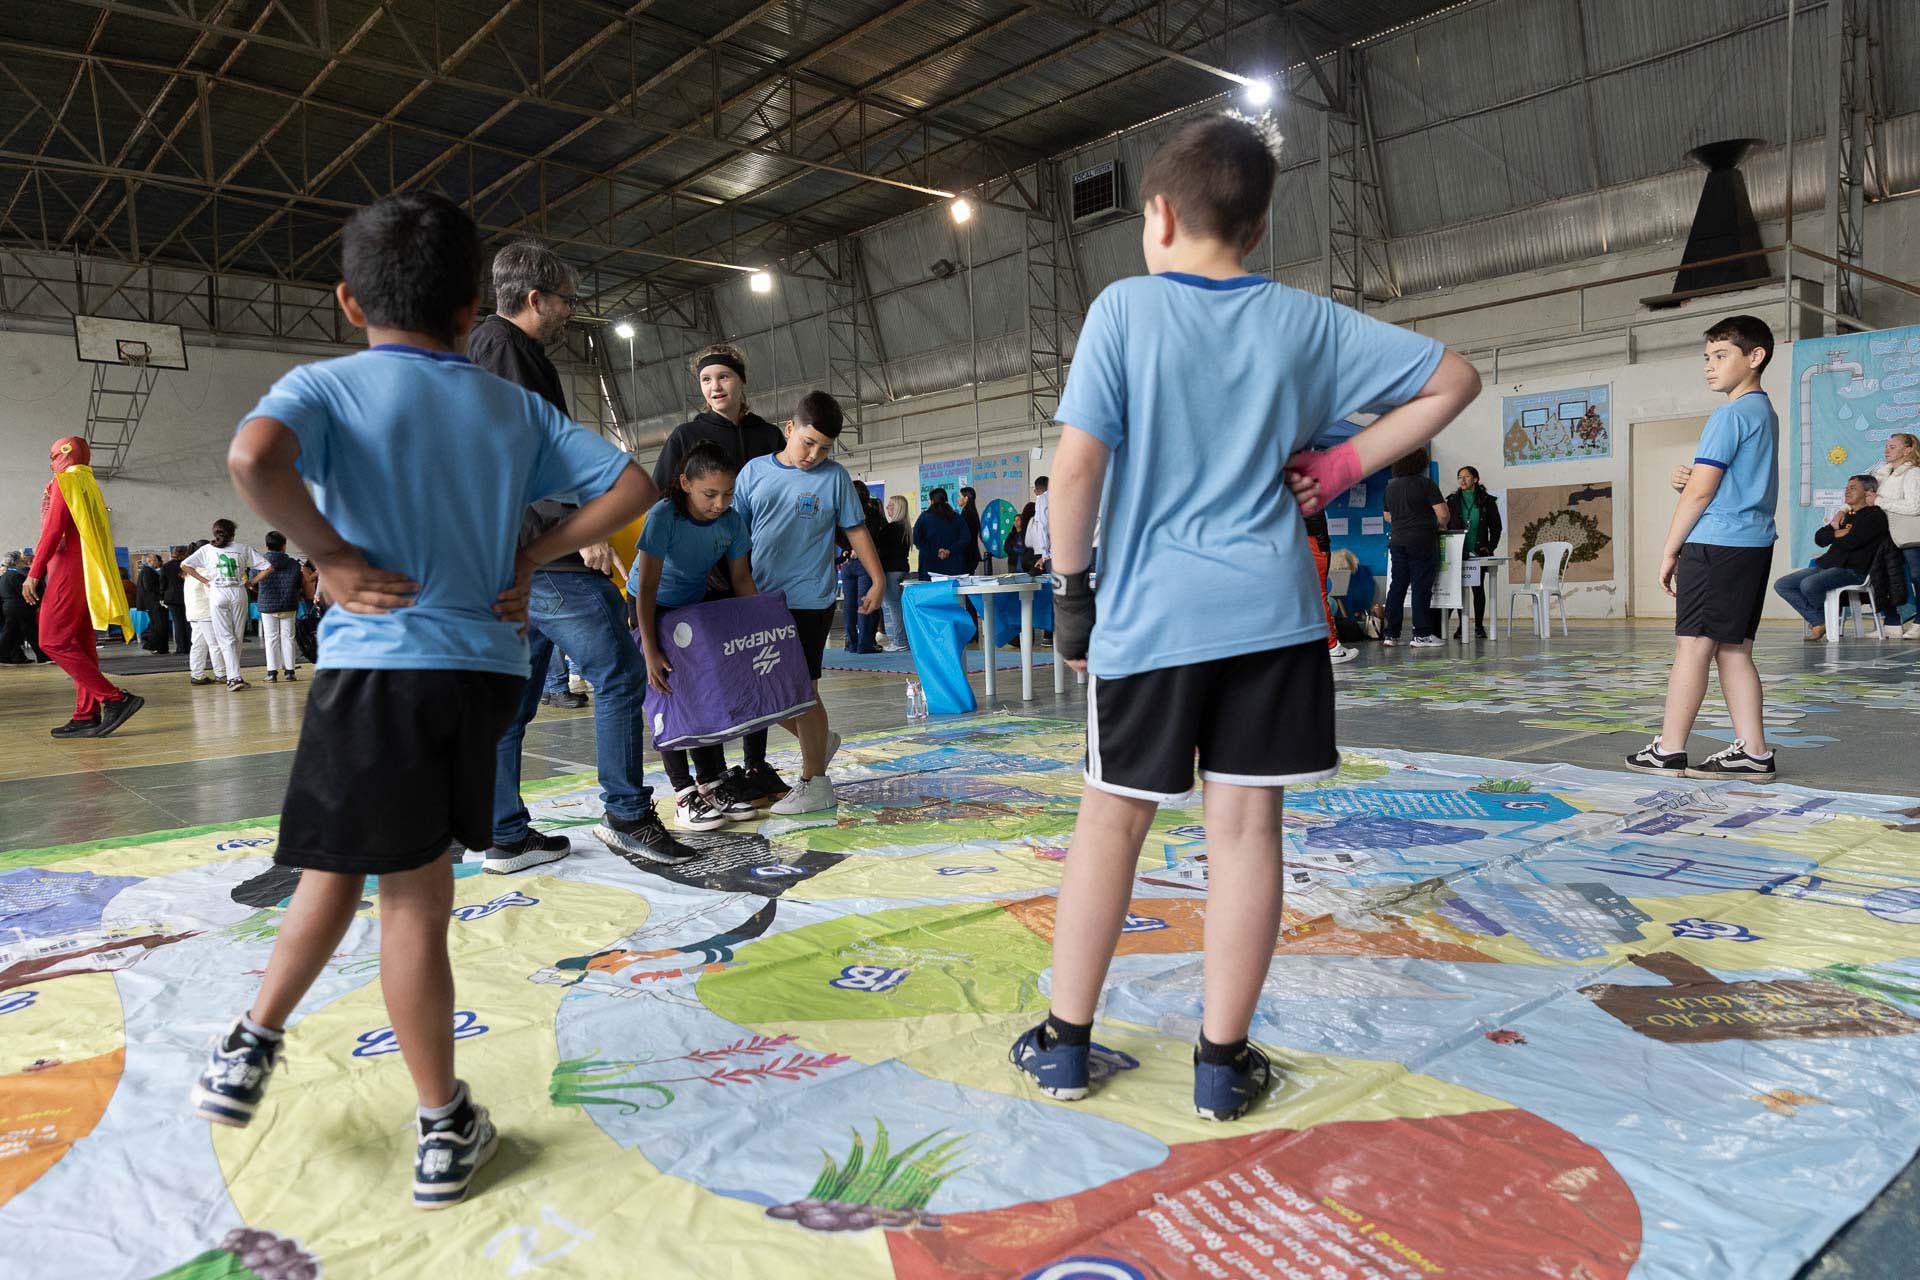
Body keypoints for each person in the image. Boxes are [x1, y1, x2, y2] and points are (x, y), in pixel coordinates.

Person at [1006, 112, 1478, 1120]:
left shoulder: (1124, 310)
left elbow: (1078, 468)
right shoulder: (1307, 321)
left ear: (1160, 213)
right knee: (1248, 828)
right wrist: (1345, 462)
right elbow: (1454, 379)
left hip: (1149, 618)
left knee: (1111, 822)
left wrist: (1074, 601)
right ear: (1257, 229)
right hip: (1270, 618)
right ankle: (1221, 1063)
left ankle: (1064, 1042)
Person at [190, 191, 655, 1211]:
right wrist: (529, 554)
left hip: (376, 670)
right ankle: (434, 1115)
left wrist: (332, 554)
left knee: (345, 874)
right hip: (479, 673)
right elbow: (632, 483)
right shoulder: (514, 406)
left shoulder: (328, 383)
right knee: (408, 892)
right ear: (465, 313)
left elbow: (252, 459)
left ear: (352, 302)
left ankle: (284, 1054)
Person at [472, 240, 692, 872]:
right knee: (621, 675)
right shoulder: (506, 351)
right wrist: (581, 526)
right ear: (535, 298)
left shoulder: (495, 351)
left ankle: (503, 832)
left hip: (512, 556)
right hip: (542, 557)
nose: (571, 311)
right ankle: (626, 814)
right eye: (565, 300)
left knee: (513, 700)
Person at [1626, 314, 1780, 782]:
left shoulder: (1730, 414)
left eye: (1721, 356)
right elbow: (1720, 481)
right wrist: (1692, 478)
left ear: (1755, 357)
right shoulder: (1764, 413)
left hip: (1715, 545)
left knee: (1692, 646)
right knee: (1734, 649)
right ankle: (1753, 751)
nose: (1710, 367)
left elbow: (1701, 493)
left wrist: (1671, 549)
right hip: (1752, 544)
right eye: (1707, 358)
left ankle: (1669, 749)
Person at [650, 343, 790, 810]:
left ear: (741, 381)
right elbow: (662, 502)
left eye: (724, 378)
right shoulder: (685, 436)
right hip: (693, 583)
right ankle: (701, 779)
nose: (715, 387)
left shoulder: (768, 436)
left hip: (751, 567)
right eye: (707, 380)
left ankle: (753, 763)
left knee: (754, 668)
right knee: (697, 679)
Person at [733, 391, 885, 815]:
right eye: (807, 443)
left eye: (824, 448)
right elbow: (736, 539)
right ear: (789, 429)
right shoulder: (753, 474)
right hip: (759, 601)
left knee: (803, 693)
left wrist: (876, 580)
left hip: (810, 600)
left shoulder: (834, 478)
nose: (813, 455)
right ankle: (818, 742)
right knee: (759, 698)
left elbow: (855, 531)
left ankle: (814, 781)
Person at [630, 441, 761, 832]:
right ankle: (683, 791)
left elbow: (741, 578)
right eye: (710, 494)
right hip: (650, 607)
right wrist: (650, 648)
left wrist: (759, 629)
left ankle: (711, 782)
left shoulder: (731, 522)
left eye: (727, 494)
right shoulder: (663, 516)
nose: (719, 503)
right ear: (686, 483)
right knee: (667, 694)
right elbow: (648, 586)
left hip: (691, 607)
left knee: (705, 692)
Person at [24, 437, 145, 737]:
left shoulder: (65, 483)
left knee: (51, 640)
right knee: (81, 646)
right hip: (86, 572)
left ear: (61, 456)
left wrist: (34, 573)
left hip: (67, 570)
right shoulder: (89, 484)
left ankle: (115, 698)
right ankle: (85, 713)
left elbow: (53, 530)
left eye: (52, 456)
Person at [1773, 474, 1892, 637]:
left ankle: (1823, 622)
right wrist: (1837, 532)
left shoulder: (1875, 515)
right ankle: (1820, 621)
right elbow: (1819, 538)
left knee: (1809, 584)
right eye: (1846, 488)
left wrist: (1838, 534)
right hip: (1826, 566)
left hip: (1852, 570)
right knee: (1783, 584)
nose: (1847, 491)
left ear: (1868, 492)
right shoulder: (1845, 515)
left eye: (1853, 488)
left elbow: (1853, 541)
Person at [182, 520, 261, 691]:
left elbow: (185, 565)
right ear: (233, 533)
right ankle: (230, 675)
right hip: (237, 592)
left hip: (216, 597)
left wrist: (206, 581)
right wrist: (251, 582)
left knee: (222, 640)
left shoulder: (206, 553)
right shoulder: (242, 548)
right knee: (235, 637)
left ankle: (231, 676)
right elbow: (268, 567)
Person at [1380, 448, 1448, 647]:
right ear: (1421, 463)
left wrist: (1403, 520)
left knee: (1397, 587)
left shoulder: (1390, 488)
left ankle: (1391, 634)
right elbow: (1442, 513)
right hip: (1422, 541)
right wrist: (1440, 525)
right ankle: (1422, 634)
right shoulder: (1426, 484)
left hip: (1397, 541)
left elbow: (1387, 517)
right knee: (1420, 587)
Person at [1871, 431, 1920, 638]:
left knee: (1917, 577)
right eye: (1886, 446)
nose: (1886, 450)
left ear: (1907, 450)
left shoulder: (1913, 473)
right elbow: (1866, 494)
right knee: (1887, 576)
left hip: (1910, 534)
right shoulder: (1883, 473)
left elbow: (1915, 506)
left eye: (1893, 447)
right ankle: (1893, 622)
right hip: (1887, 535)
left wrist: (1880, 501)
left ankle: (1919, 622)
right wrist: (1844, 509)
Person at [1445, 465, 1502, 638]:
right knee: (1458, 589)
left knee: (1478, 589)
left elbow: (1496, 527)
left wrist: (1490, 547)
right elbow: (1446, 525)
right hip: (1457, 551)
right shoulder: (1452, 501)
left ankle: (1478, 626)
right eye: (1459, 477)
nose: (1462, 480)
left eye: (1466, 477)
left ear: (1475, 479)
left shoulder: (1487, 500)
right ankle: (1461, 626)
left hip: (1479, 551)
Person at [836, 481, 886, 653]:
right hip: (866, 562)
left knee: (849, 605)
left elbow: (837, 535)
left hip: (848, 563)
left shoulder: (843, 513)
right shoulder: (872, 513)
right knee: (865, 603)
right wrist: (859, 549)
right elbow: (876, 536)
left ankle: (851, 642)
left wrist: (848, 549)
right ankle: (865, 643)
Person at [1305, 511, 1357, 664]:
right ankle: (1332, 647)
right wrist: (1323, 545)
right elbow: (1313, 512)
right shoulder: (1307, 488)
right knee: (1318, 595)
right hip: (1311, 542)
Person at [254, 531, 304, 682]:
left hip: (267, 604)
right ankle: (290, 671)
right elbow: (299, 584)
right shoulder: (294, 563)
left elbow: (253, 583)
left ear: (266, 546)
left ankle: (272, 673)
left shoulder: (259, 563)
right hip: (289, 604)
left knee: (271, 638)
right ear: (284, 546)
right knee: (289, 637)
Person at [182, 540, 227, 686]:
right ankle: (221, 673)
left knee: (198, 644)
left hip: (194, 613)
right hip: (206, 612)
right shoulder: (205, 571)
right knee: (215, 644)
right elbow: (212, 593)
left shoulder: (189, 572)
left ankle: (197, 674)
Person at [877, 494, 912, 651]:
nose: (887, 508)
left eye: (890, 505)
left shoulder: (890, 528)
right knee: (900, 606)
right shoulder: (906, 528)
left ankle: (899, 640)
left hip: (891, 570)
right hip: (903, 568)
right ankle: (904, 638)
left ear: (897, 508)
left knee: (893, 606)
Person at [1, 551, 48, 664]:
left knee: (12, 633)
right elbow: (26, 593)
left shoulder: (4, 577)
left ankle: (14, 657)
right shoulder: (16, 576)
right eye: (21, 559)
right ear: (16, 562)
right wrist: (36, 605)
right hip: (20, 608)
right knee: (31, 632)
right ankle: (42, 656)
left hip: (8, 608)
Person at [913, 487, 972, 577]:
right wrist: (949, 551)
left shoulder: (924, 517)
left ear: (932, 501)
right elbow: (966, 538)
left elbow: (916, 539)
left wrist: (935, 550)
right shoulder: (957, 517)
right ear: (946, 500)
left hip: (929, 566)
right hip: (954, 566)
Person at [137, 553, 169, 653]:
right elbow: (149, 587)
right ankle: (157, 646)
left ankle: (158, 646)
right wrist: (160, 597)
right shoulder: (148, 571)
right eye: (155, 560)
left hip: (151, 602)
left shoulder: (145, 571)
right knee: (159, 624)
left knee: (156, 624)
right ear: (150, 561)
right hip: (155, 602)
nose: (157, 562)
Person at [162, 544, 190, 655]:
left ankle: (181, 648)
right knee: (189, 622)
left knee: (178, 623)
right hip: (187, 596)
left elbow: (163, 583)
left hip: (172, 598)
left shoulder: (166, 566)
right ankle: (191, 646)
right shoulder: (188, 565)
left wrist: (162, 595)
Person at [958, 486, 985, 574]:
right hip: (971, 554)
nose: (958, 499)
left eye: (960, 496)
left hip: (968, 555)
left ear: (966, 498)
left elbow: (965, 536)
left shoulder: (967, 514)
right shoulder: (971, 512)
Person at [1028, 475, 1051, 572]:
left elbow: (1042, 527)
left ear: (1036, 489)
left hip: (1051, 554)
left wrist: (1044, 555)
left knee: (1055, 584)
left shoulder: (1042, 499)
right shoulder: (1058, 497)